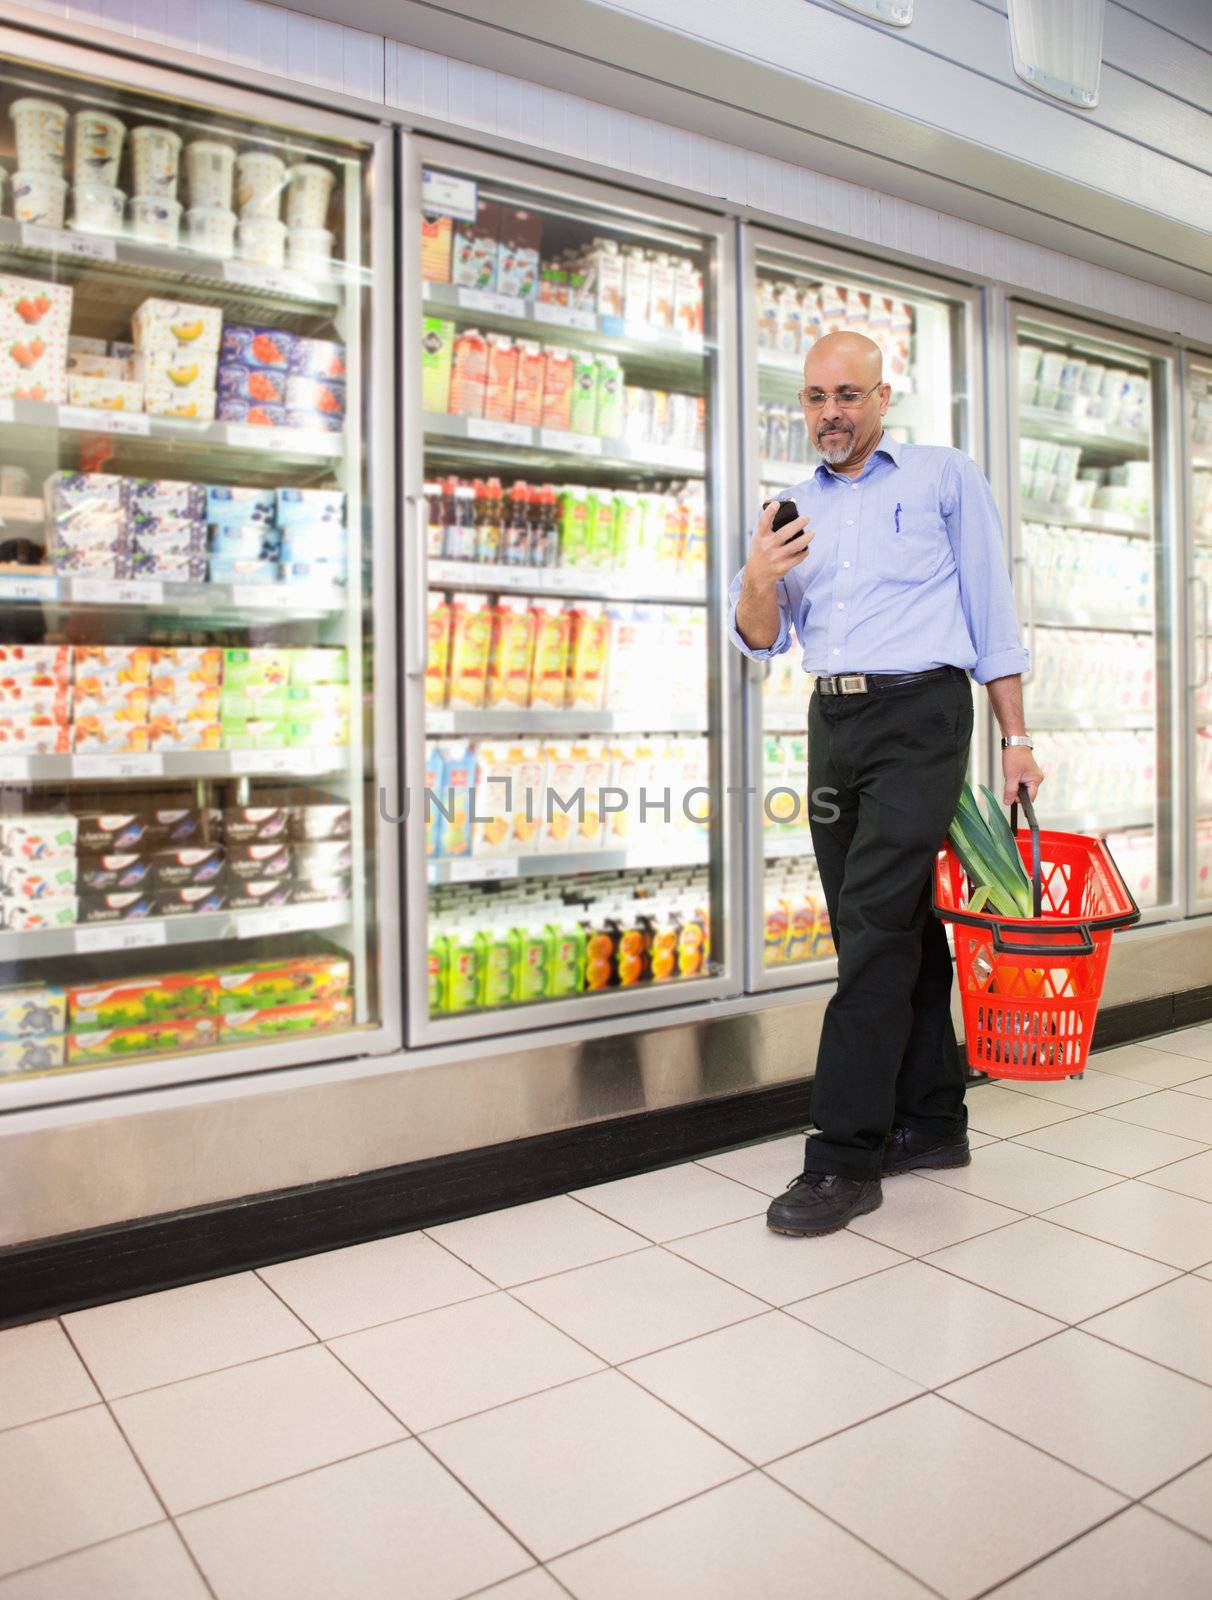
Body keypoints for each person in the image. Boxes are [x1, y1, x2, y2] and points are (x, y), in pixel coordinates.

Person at [729, 330, 1044, 1238]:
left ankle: (844, 1154)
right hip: (835, 720)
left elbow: (991, 609)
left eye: (848, 395)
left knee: (870, 924)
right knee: (891, 922)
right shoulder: (791, 507)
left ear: (882, 396)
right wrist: (758, 575)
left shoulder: (943, 477)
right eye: (816, 397)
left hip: (923, 716)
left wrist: (1015, 735)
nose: (832, 412)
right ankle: (934, 1120)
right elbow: (759, 636)